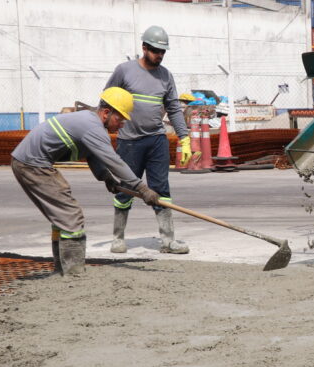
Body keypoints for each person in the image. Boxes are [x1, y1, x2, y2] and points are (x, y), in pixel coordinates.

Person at [11, 87, 160, 276]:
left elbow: (92, 155)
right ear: (106, 113)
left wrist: (106, 177)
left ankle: (62, 270)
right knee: (71, 217)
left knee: (62, 217)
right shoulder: (93, 127)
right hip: (33, 165)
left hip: (28, 162)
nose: (122, 124)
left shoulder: (88, 122)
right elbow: (115, 161)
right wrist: (142, 188)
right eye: (120, 118)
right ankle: (74, 273)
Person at [106, 25, 191, 255]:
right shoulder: (124, 71)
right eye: (155, 50)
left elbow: (173, 108)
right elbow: (108, 101)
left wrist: (184, 138)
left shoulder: (166, 76)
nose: (159, 55)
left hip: (156, 140)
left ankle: (167, 240)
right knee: (125, 188)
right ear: (144, 48)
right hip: (129, 141)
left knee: (161, 188)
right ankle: (118, 237)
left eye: (163, 51)